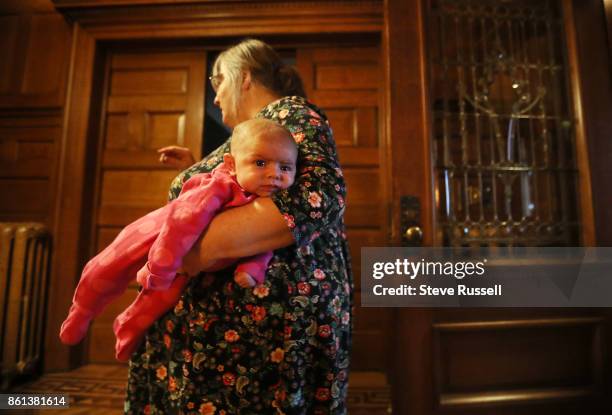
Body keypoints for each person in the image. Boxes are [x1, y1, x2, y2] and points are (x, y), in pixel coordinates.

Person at [126, 38, 352, 414]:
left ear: (245, 77)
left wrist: (187, 254)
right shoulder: (254, 132)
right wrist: (196, 167)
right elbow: (244, 198)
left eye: (219, 82)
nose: (215, 99)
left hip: (252, 335)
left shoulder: (290, 113)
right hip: (221, 336)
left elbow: (318, 199)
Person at [60, 118, 298, 362]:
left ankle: (127, 327)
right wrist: (161, 268)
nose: (274, 174)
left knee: (161, 299)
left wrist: (252, 268)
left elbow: (264, 243)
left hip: (188, 258)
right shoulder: (219, 184)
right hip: (160, 231)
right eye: (261, 163)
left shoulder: (268, 202)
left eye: (286, 168)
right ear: (232, 164)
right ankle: (82, 310)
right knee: (108, 266)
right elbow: (183, 222)